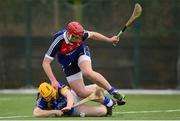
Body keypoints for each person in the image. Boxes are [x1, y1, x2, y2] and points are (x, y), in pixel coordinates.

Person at [42, 21, 125, 106]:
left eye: (80, 37)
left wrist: (109, 40)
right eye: (77, 38)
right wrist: (53, 81)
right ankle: (109, 103)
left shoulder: (80, 34)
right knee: (81, 92)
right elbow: (45, 63)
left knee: (87, 72)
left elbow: (93, 35)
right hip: (68, 64)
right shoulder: (59, 41)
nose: (80, 39)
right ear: (70, 35)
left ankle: (113, 91)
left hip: (80, 53)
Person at [33, 82, 114, 117]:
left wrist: (68, 105)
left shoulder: (56, 85)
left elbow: (69, 95)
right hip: (74, 110)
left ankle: (105, 99)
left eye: (53, 95)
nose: (53, 98)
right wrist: (55, 112)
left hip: (75, 95)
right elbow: (36, 112)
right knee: (102, 112)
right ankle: (104, 104)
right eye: (50, 97)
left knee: (100, 87)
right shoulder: (43, 99)